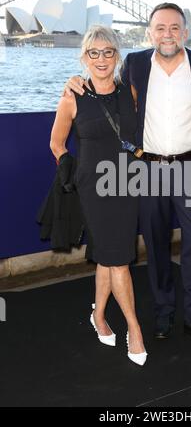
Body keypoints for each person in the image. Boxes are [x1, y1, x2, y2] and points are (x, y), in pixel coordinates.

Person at [65, 3, 191, 348]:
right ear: (150, 33)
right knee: (156, 244)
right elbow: (105, 87)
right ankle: (163, 312)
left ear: (186, 33)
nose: (168, 34)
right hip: (147, 170)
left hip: (190, 168)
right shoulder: (134, 65)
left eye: (175, 28)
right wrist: (76, 82)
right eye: (160, 28)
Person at [50, 25, 147, 365]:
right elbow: (56, 144)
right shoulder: (71, 97)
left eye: (108, 52)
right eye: (94, 52)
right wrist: (68, 168)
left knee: (109, 256)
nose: (102, 59)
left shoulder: (129, 93)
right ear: (84, 57)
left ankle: (99, 315)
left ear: (117, 56)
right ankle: (135, 330)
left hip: (127, 184)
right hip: (93, 188)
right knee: (118, 259)